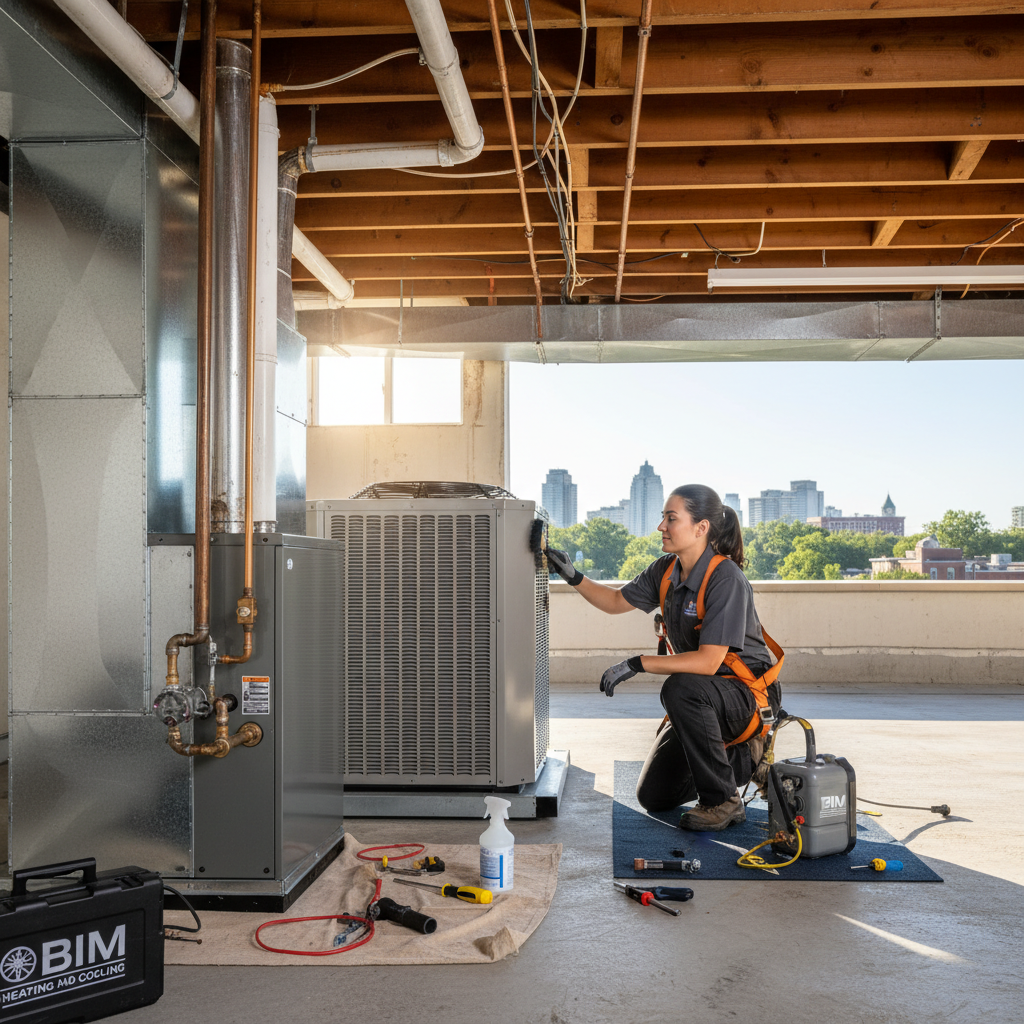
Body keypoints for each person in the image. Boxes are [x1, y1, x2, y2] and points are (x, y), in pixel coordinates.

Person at [546, 484, 782, 831]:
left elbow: (708, 662)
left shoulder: (725, 578)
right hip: (705, 694)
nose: (662, 527)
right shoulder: (666, 571)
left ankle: (723, 801)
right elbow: (616, 602)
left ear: (701, 528)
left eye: (672, 519)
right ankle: (745, 760)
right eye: (663, 518)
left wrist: (637, 663)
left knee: (680, 689)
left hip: (746, 697)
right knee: (654, 795)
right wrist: (573, 576)